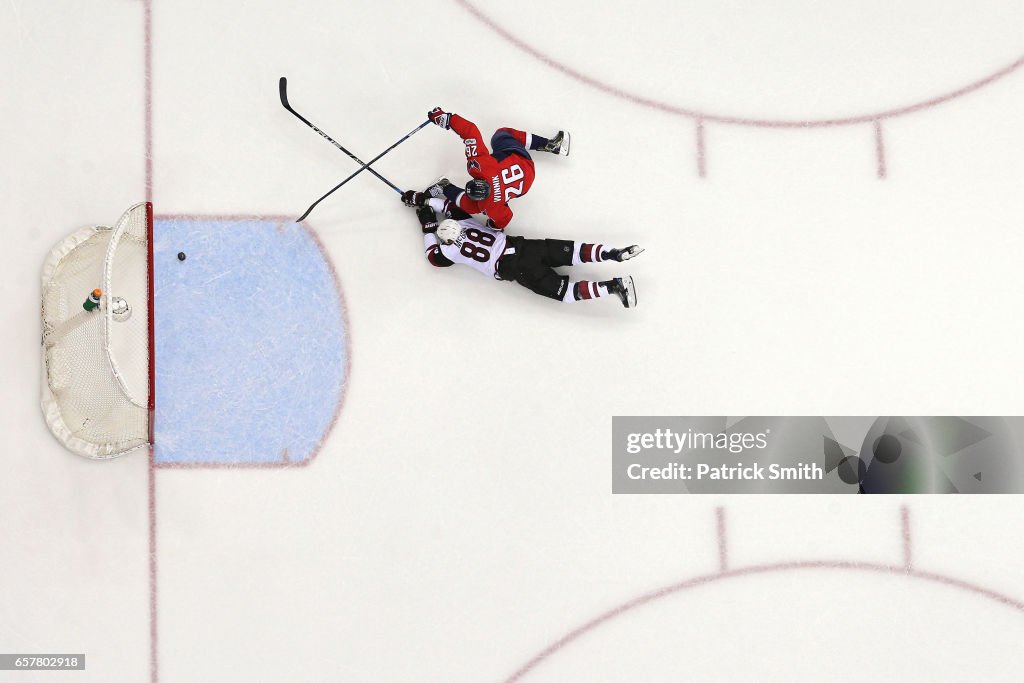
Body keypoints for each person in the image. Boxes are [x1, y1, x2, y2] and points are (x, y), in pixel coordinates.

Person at [407, 197, 642, 308]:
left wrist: (427, 225)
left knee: (567, 293)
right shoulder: (465, 222)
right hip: (524, 246)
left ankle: (613, 286)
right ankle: (613, 253)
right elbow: (447, 207)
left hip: (515, 269)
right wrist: (425, 201)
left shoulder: (449, 251)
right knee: (573, 252)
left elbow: (432, 257)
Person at [404, 107, 569, 230]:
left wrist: (493, 224)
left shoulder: (489, 205)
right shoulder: (482, 166)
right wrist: (447, 119)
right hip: (523, 163)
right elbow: (471, 131)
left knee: (470, 205)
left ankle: (445, 186)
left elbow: (505, 218)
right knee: (501, 135)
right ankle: (550, 145)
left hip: (525, 185)